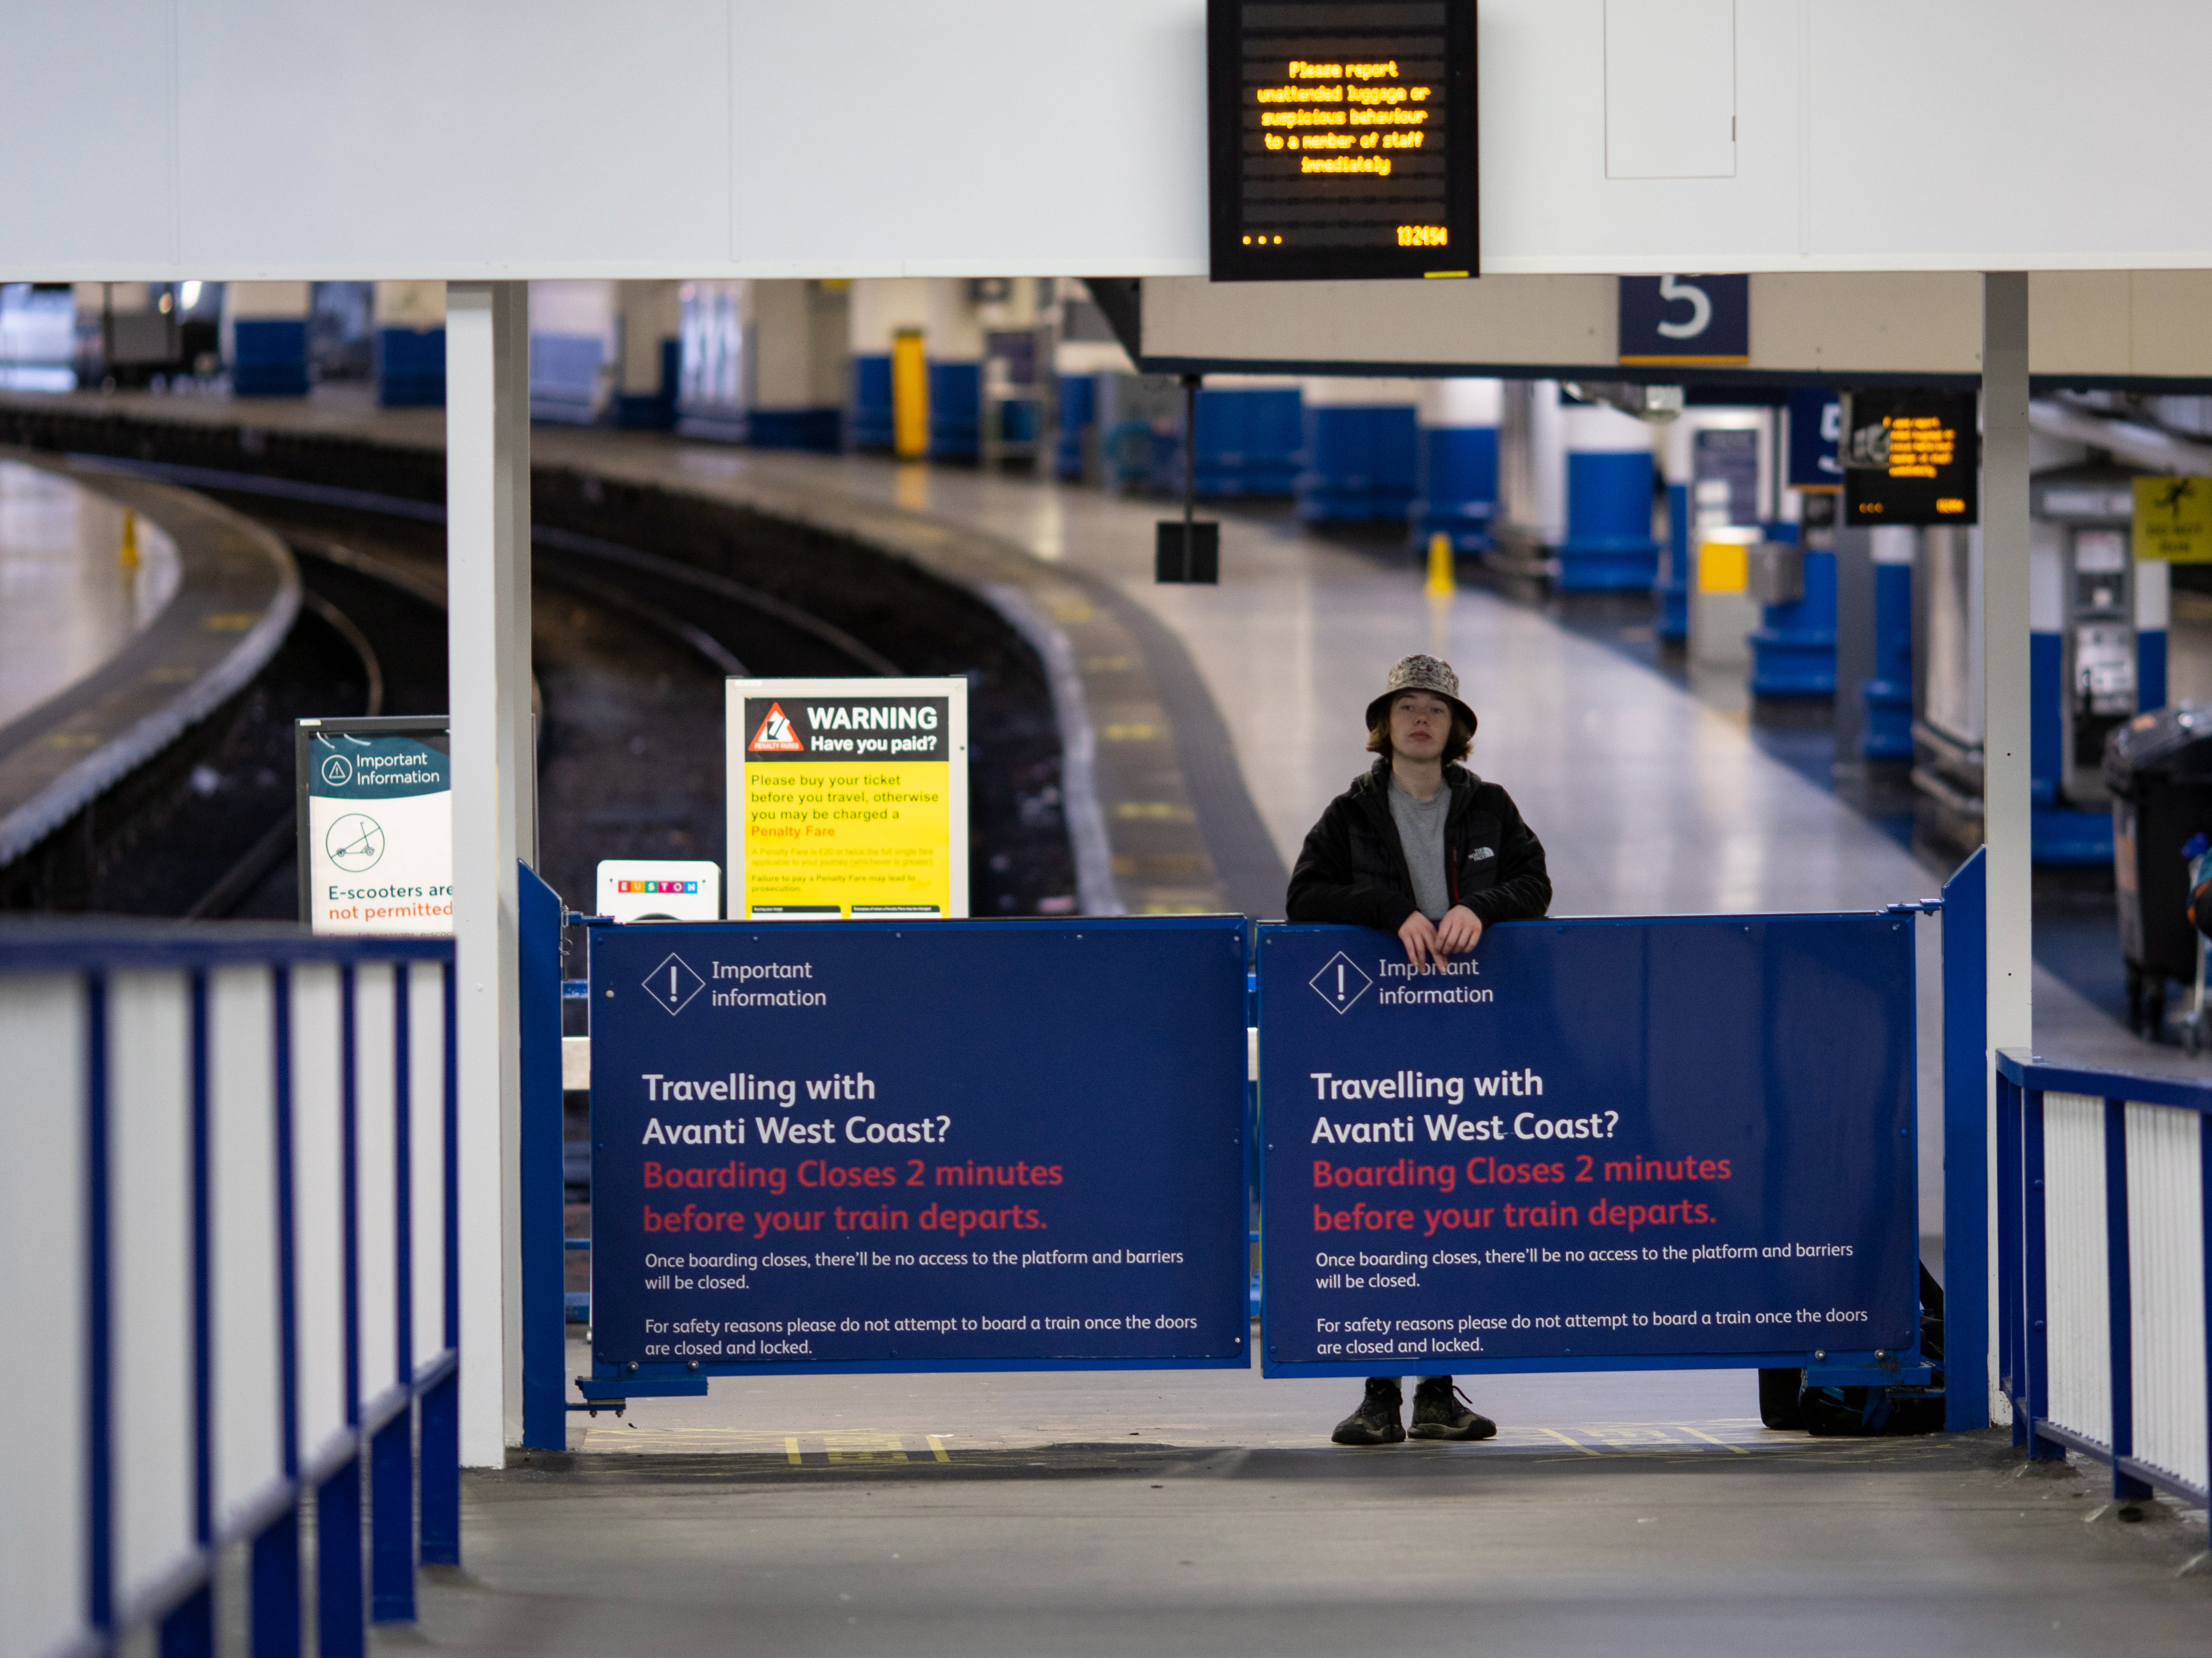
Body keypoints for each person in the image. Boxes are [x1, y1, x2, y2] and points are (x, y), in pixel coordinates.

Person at [1286, 653, 1552, 1446]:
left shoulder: (1491, 809)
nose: (1420, 717)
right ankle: (1378, 1395)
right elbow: (1304, 897)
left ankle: (1437, 1394)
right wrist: (1390, 910)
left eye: (1435, 706)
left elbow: (1535, 885)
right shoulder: (1350, 813)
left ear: (1457, 729)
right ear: (1384, 726)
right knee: (1382, 1215)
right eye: (1405, 705)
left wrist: (1484, 907)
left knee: (1454, 1211)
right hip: (1378, 1047)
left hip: (1469, 1042)